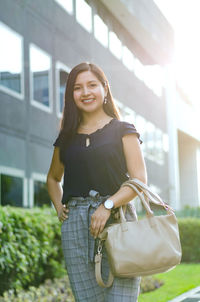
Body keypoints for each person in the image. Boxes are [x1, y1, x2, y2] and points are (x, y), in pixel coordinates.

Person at [46, 62, 147, 302]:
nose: (85, 92)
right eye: (77, 87)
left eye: (92, 85)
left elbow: (139, 180)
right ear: (71, 95)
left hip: (118, 220)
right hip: (75, 228)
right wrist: (59, 206)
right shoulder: (66, 138)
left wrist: (108, 205)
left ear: (104, 89)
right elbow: (52, 178)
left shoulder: (124, 130)